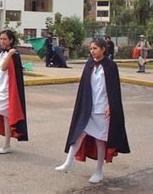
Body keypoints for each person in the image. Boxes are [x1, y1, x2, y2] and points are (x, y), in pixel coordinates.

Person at [55, 38, 130, 184]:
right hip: (89, 107)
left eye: (95, 48)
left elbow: (114, 89)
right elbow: (84, 88)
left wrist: (111, 106)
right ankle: (68, 163)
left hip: (103, 109)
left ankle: (99, 171)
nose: (92, 51)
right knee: (78, 134)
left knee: (100, 141)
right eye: (91, 48)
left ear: (103, 49)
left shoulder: (110, 66)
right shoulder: (89, 64)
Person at [0, 29, 28, 154]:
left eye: (4, 39)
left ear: (11, 40)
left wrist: (9, 54)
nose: (2, 41)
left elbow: (3, 68)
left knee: (7, 118)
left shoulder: (13, 55)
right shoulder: (0, 52)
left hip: (6, 92)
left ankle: (7, 145)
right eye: (0, 39)